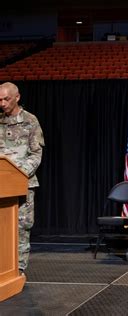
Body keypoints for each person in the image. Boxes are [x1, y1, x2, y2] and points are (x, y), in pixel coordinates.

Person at [0, 82, 44, 274]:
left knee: (21, 227)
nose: (2, 103)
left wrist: (18, 175)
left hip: (23, 184)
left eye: (6, 99)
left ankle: (18, 269)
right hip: (1, 185)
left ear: (17, 97)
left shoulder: (30, 121)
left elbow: (36, 153)